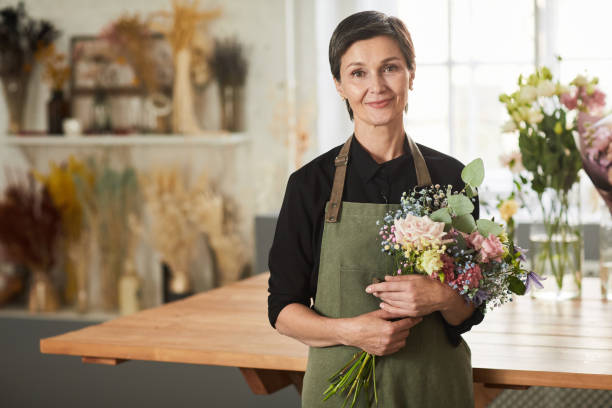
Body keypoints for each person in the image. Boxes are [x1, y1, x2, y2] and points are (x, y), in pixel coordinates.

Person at [268, 10, 483, 407]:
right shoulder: (309, 185)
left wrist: (439, 296)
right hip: (340, 391)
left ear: (411, 74)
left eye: (390, 68)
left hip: (432, 387)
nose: (377, 86)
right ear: (339, 85)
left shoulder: (452, 180)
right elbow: (282, 309)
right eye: (358, 73)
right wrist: (352, 332)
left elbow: (468, 312)